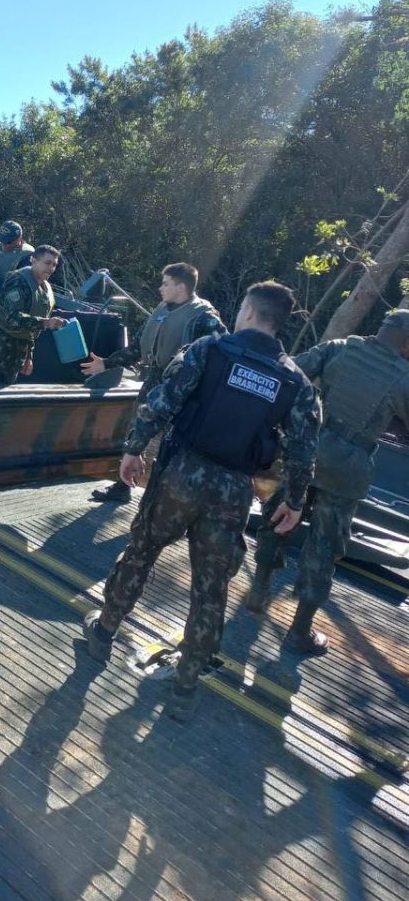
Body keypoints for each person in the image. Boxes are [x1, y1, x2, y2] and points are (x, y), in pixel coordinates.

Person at [81, 282, 319, 722]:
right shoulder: (295, 382)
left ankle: (104, 632)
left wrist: (134, 448)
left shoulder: (209, 350)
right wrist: (295, 500)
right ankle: (186, 684)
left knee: (141, 551)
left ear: (248, 311)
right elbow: (304, 450)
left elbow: (162, 401)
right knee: (211, 587)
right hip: (234, 490)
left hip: (182, 474)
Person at [248, 309, 409, 654]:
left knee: (277, 517)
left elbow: (289, 372)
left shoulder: (339, 348)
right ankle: (299, 632)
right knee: (324, 545)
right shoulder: (403, 377)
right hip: (347, 470)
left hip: (307, 450)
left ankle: (258, 592)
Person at [82, 262, 225, 503]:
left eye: (165, 283)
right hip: (154, 379)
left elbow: (221, 353)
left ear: (181, 287)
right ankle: (123, 487)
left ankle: (161, 496)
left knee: (171, 442)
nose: (160, 288)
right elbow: (137, 348)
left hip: (182, 388)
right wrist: (106, 363)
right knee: (136, 432)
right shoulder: (162, 310)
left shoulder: (204, 317)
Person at [0, 245, 67, 388]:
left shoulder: (44, 287)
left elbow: (31, 327)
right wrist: (46, 323)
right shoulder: (18, 281)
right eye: (47, 263)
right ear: (34, 260)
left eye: (54, 264)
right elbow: (12, 318)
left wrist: (28, 355)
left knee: (5, 390)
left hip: (18, 351)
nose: (51, 268)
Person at [0, 221, 34, 314]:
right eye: (2, 240)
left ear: (19, 239)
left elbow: (23, 291)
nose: (4, 244)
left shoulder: (27, 257)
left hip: (4, 308)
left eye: (8, 242)